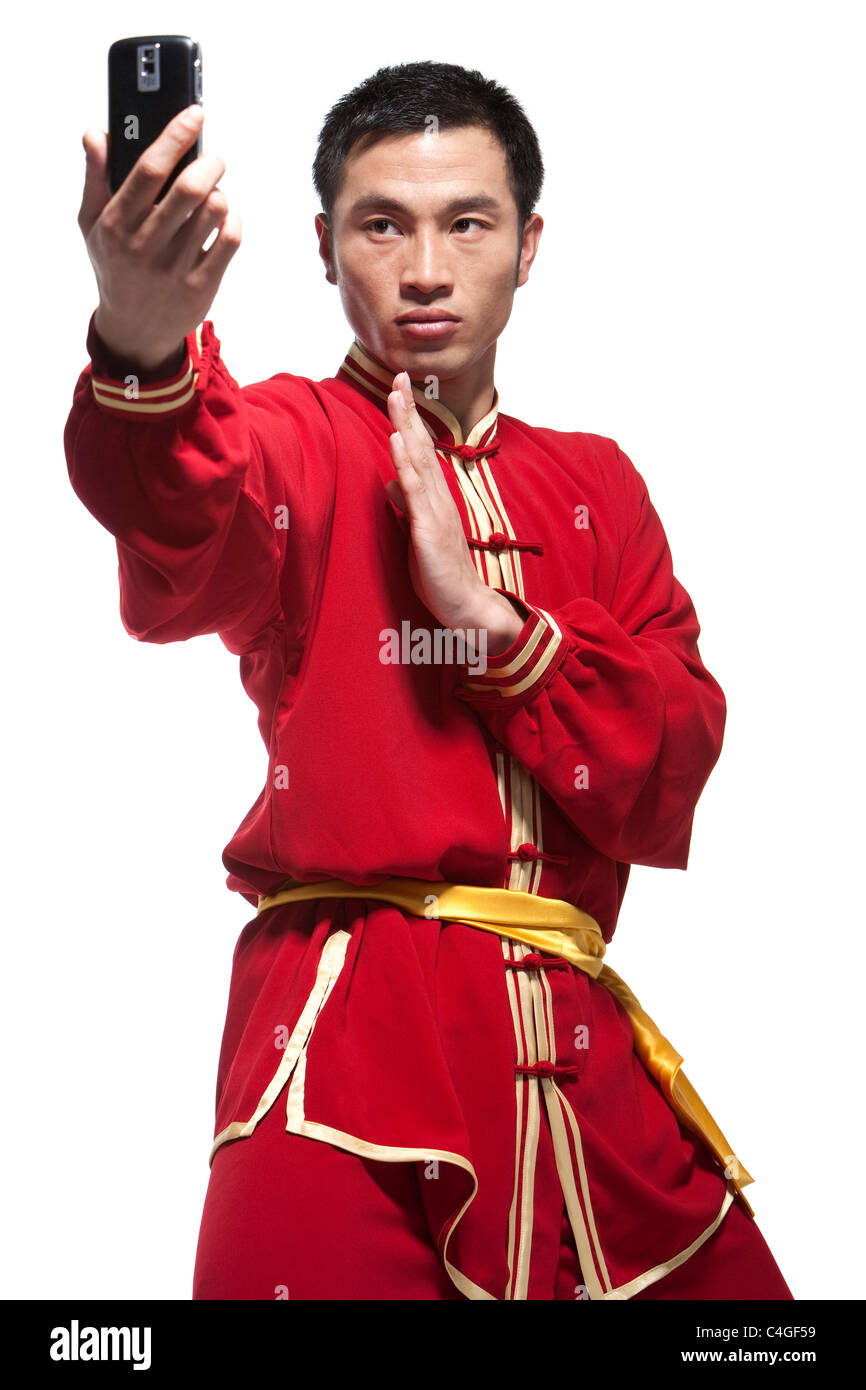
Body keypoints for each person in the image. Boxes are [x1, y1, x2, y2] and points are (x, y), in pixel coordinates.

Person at [65, 60, 793, 1301]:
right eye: (380, 225)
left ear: (527, 243)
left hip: (582, 1074)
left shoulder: (596, 483)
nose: (423, 270)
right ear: (322, 244)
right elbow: (179, 516)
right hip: (341, 1057)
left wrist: (488, 621)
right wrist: (138, 338)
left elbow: (670, 752)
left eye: (466, 222)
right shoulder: (291, 436)